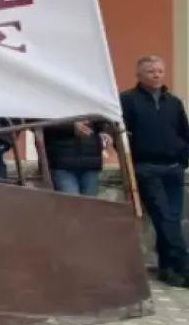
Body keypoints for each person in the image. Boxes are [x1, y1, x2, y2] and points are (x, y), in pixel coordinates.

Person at [120, 55, 189, 287]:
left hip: (174, 168)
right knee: (164, 218)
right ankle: (183, 266)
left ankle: (168, 269)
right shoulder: (128, 100)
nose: (156, 75)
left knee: (171, 220)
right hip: (147, 167)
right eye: (151, 71)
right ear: (139, 74)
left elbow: (184, 131)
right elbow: (120, 132)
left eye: (160, 71)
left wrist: (183, 159)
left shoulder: (173, 102)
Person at [42, 117, 112, 196]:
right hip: (63, 161)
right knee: (71, 202)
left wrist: (104, 131)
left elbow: (103, 118)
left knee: (90, 202)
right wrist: (71, 128)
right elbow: (42, 121)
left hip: (90, 160)